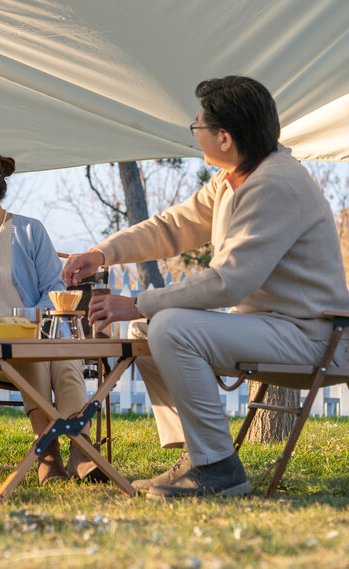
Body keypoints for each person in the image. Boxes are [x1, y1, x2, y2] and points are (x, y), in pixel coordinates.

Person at [63, 76, 349, 499]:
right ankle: (198, 456)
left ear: (225, 138)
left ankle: (219, 469)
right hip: (273, 327)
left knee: (167, 326)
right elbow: (174, 226)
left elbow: (227, 283)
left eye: (198, 126)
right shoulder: (234, 177)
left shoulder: (275, 183)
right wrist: (103, 253)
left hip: (314, 337)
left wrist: (138, 302)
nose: (195, 133)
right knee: (147, 331)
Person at [0, 143, 105, 485]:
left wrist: (28, 324)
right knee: (33, 354)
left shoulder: (30, 231)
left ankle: (77, 450)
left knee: (58, 357)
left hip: (39, 337)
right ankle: (50, 454)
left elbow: (53, 291)